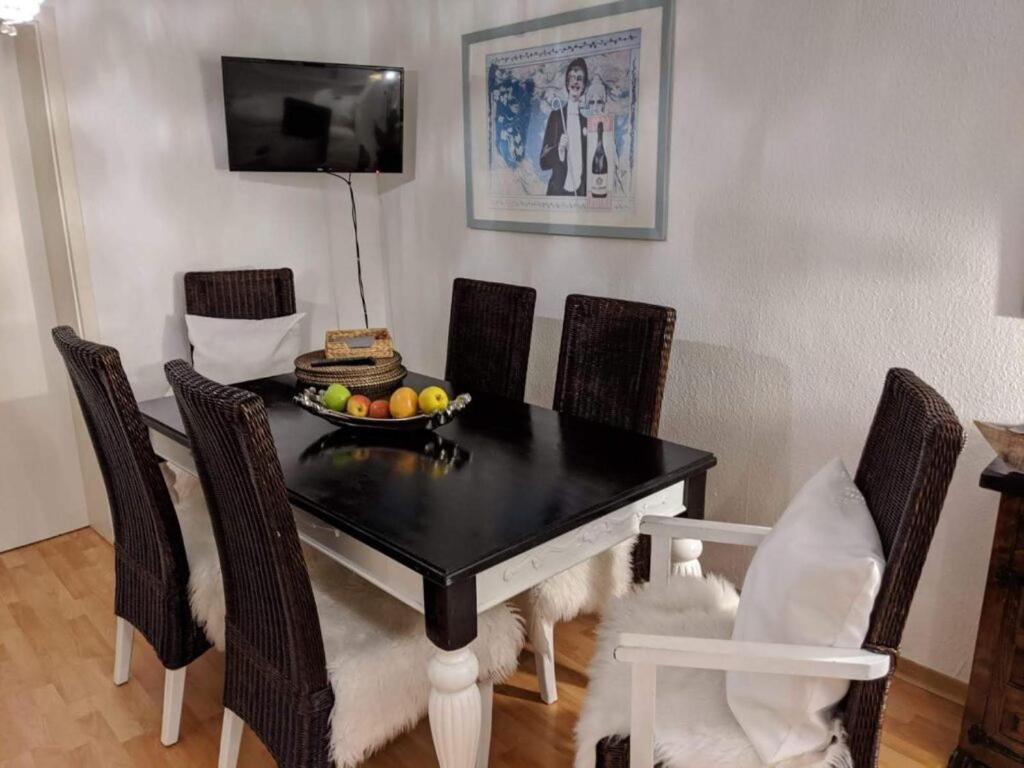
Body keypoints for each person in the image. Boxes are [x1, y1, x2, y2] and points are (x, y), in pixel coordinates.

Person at [540, 58, 588, 196]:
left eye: (579, 78)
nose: (575, 82)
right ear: (567, 83)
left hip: (580, 195)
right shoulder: (556, 117)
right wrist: (559, 150)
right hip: (557, 193)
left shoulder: (586, 122)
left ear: (584, 85)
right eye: (572, 78)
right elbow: (543, 162)